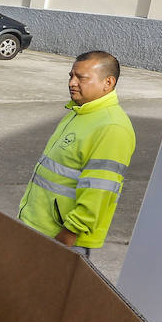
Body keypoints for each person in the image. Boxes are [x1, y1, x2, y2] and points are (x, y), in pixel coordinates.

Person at [18, 50, 136, 254]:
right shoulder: (80, 112)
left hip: (64, 239)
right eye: (71, 76)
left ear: (108, 82)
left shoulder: (112, 127)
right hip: (39, 227)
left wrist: (70, 232)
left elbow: (99, 190)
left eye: (81, 78)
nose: (72, 83)